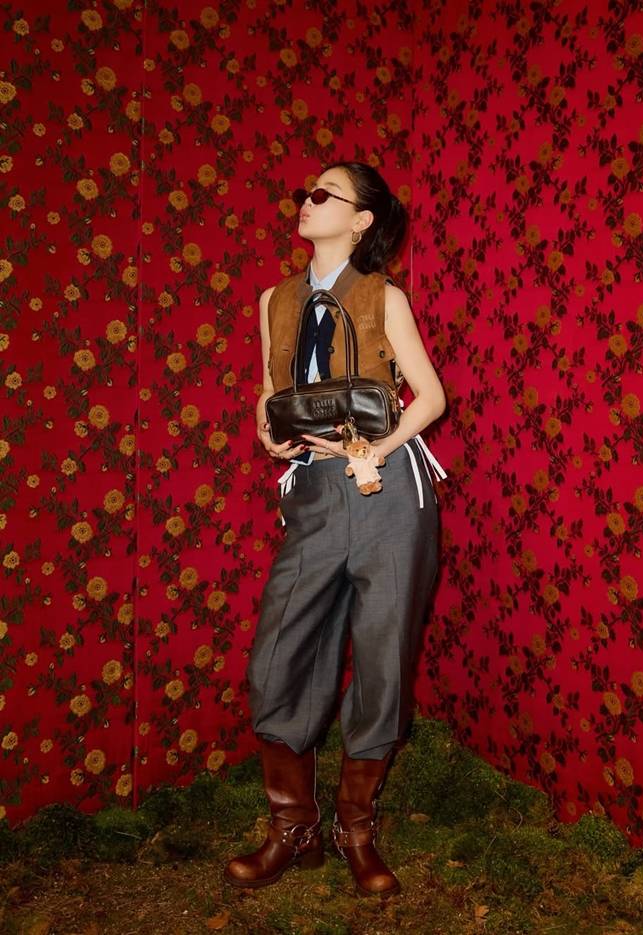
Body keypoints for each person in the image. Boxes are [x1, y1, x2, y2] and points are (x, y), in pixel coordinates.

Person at [224, 161, 446, 897]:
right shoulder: (275, 300)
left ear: (361, 220)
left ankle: (357, 830)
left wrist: (378, 449)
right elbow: (270, 391)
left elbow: (431, 398)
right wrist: (268, 433)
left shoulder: (385, 296)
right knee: (281, 649)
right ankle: (294, 828)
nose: (306, 202)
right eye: (303, 193)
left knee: (382, 654)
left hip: (388, 491)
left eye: (324, 195)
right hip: (314, 493)